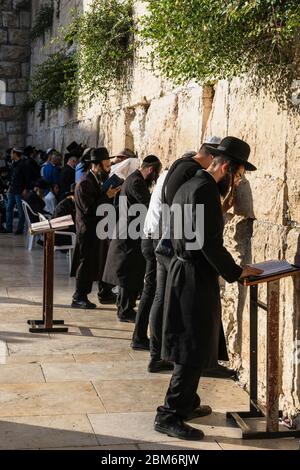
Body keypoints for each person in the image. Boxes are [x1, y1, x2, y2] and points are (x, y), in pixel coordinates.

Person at [154, 136, 263, 441]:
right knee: (190, 346)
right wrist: (237, 271)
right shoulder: (203, 191)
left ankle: (187, 403)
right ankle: (170, 413)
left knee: (195, 340)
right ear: (227, 168)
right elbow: (208, 243)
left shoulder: (189, 184)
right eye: (239, 175)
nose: (238, 182)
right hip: (192, 275)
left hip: (183, 270)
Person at [103, 155, 162, 322]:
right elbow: (148, 204)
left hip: (129, 232)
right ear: (150, 169)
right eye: (155, 174)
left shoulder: (132, 179)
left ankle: (124, 308)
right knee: (128, 273)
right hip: (129, 234)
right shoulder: (136, 182)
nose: (155, 178)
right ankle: (125, 310)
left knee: (128, 273)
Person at [71, 147, 120, 309]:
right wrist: (107, 196)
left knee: (98, 261)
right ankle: (79, 296)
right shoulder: (85, 183)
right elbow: (89, 209)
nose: (109, 169)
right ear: (97, 166)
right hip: (88, 230)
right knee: (86, 263)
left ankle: (104, 292)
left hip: (97, 229)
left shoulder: (95, 180)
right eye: (106, 166)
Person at [130, 168, 169, 351]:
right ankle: (143, 339)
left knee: (150, 290)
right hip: (154, 239)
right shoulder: (172, 180)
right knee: (154, 291)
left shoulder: (163, 178)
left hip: (149, 236)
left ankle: (139, 337)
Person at [5, 148, 27, 234]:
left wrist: (25, 188)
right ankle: (8, 228)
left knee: (21, 210)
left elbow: (27, 178)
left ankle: (20, 229)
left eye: (11, 153)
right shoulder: (14, 164)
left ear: (15, 154)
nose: (10, 155)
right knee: (8, 208)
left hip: (19, 191)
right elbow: (12, 176)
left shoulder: (23, 164)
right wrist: (9, 186)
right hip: (12, 190)